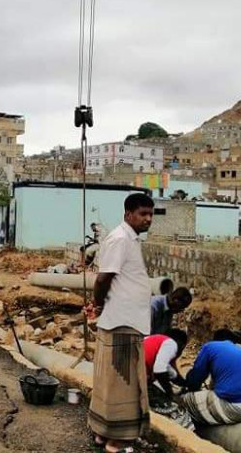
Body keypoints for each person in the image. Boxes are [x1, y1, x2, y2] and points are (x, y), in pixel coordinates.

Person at [87, 193, 154, 453]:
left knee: (111, 379)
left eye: (150, 214)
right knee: (124, 383)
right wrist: (99, 304)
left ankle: (103, 434)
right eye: (142, 214)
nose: (148, 219)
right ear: (128, 214)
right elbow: (103, 279)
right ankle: (116, 440)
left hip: (125, 319)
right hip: (122, 320)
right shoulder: (120, 239)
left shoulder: (129, 238)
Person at [182, 329, 241, 426]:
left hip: (237, 408)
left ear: (215, 340)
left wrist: (188, 385)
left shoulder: (211, 347)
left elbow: (195, 381)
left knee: (185, 400)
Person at [144, 329, 194, 430]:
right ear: (181, 344)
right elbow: (159, 371)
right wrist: (171, 394)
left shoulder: (153, 341)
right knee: (176, 410)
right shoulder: (171, 344)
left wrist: (185, 384)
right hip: (133, 381)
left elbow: (172, 374)